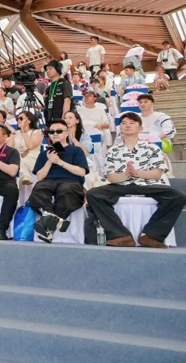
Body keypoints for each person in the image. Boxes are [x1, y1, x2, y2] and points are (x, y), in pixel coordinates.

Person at [86, 113, 186, 248]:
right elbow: (110, 177)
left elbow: (157, 174)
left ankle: (152, 235)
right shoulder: (113, 151)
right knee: (93, 194)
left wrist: (138, 173)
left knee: (178, 196)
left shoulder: (152, 148)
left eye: (132, 123)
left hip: (148, 184)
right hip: (121, 184)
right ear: (120, 128)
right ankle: (120, 235)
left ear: (140, 128)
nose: (127, 125)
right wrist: (126, 174)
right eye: (124, 123)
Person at [29, 119, 89, 243]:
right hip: (48, 181)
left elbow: (81, 172)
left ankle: (48, 225)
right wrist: (50, 161)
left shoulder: (76, 150)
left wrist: (59, 162)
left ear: (66, 133)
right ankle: (55, 219)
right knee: (39, 189)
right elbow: (40, 176)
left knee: (66, 191)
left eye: (59, 131)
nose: (55, 134)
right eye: (51, 132)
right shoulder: (44, 154)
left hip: (71, 181)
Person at [14, 111, 43, 186]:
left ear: (29, 120)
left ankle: (25, 177)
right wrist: (11, 133)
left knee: (17, 160)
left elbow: (30, 146)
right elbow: (9, 148)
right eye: (17, 119)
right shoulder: (15, 133)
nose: (18, 120)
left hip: (31, 159)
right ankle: (25, 176)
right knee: (16, 158)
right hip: (18, 159)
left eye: (21, 118)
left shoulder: (37, 132)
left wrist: (23, 130)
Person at [43, 59, 72, 125]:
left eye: (50, 69)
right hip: (50, 121)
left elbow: (67, 101)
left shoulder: (64, 83)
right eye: (47, 69)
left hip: (61, 120)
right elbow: (46, 106)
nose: (47, 71)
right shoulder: (49, 88)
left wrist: (63, 119)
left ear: (58, 69)